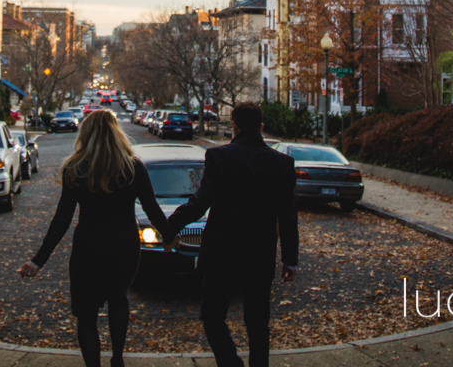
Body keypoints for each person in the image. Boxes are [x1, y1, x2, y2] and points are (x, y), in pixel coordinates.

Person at [19, 110, 172, 367]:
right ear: (116, 133)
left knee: (87, 315)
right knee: (118, 299)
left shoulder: (75, 169)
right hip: (124, 246)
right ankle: (118, 360)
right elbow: (152, 208)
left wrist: (39, 260)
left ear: (86, 134)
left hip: (88, 248)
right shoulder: (133, 167)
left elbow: (62, 219)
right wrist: (169, 236)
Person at [166, 101, 298, 367]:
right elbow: (287, 215)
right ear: (261, 127)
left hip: (221, 253)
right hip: (260, 253)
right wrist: (290, 259)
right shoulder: (282, 163)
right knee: (258, 322)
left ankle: (230, 363)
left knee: (213, 316)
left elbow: (200, 202)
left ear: (234, 126)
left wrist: (168, 227)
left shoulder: (219, 157)